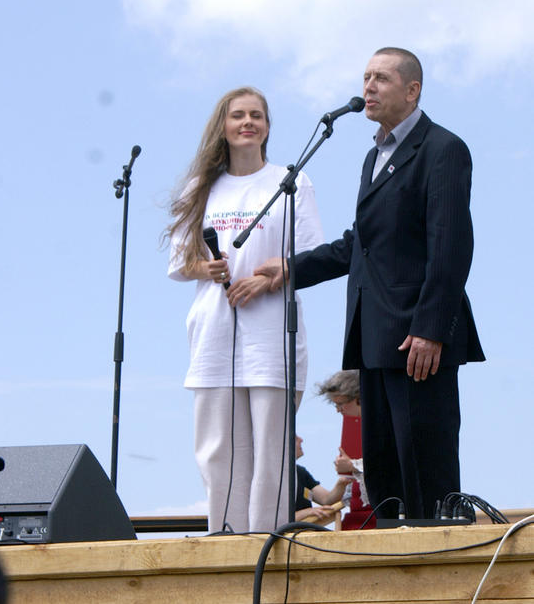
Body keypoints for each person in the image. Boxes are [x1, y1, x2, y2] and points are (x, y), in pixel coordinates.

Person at [256, 49, 485, 519]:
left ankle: (433, 558)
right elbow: (360, 245)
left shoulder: (442, 149)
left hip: (418, 340)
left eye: (381, 78)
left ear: (412, 90)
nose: (368, 87)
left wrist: (430, 328)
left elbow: (451, 246)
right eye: (365, 77)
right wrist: (291, 268)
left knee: (425, 471)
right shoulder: (373, 157)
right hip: (375, 338)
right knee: (384, 472)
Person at [167, 87, 324, 532]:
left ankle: (266, 545)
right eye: (238, 115)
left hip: (272, 334)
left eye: (257, 115)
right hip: (214, 333)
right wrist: (208, 268)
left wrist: (267, 279)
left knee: (270, 450)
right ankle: (225, 543)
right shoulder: (200, 188)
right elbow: (180, 262)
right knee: (218, 450)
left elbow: (311, 254)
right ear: (223, 126)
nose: (248, 122)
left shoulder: (291, 182)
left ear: (268, 127)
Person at [315, 370, 374, 529]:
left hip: (381, 514)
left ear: (358, 398)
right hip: (357, 514)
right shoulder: (353, 429)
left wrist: (352, 465)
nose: (338, 409)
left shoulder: (383, 423)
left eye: (340, 404)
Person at [294, 435, 351, 523]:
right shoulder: (271, 477)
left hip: (305, 530)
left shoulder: (300, 472)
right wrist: (305, 512)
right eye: (294, 438)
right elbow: (273, 518)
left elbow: (326, 500)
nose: (301, 439)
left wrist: (342, 484)